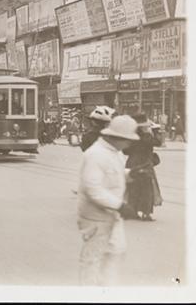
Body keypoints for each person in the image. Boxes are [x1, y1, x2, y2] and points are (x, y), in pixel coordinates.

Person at [77, 115, 140, 286]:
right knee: (93, 260)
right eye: (127, 140)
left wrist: (131, 174)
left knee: (116, 253)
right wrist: (119, 206)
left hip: (111, 215)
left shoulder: (114, 153)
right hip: (95, 218)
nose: (129, 144)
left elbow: (113, 174)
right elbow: (93, 188)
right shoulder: (96, 155)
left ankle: (107, 290)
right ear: (116, 137)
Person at [124, 114, 163, 221]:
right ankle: (146, 213)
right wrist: (156, 132)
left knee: (133, 188)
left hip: (132, 163)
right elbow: (158, 143)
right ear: (143, 126)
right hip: (144, 163)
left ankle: (133, 211)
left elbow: (125, 151)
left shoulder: (130, 136)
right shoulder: (146, 136)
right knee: (146, 189)